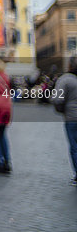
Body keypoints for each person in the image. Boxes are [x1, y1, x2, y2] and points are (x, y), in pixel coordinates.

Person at [53, 57, 77, 186]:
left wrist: (62, 110)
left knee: (75, 147)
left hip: (72, 118)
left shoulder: (66, 80)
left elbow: (58, 99)